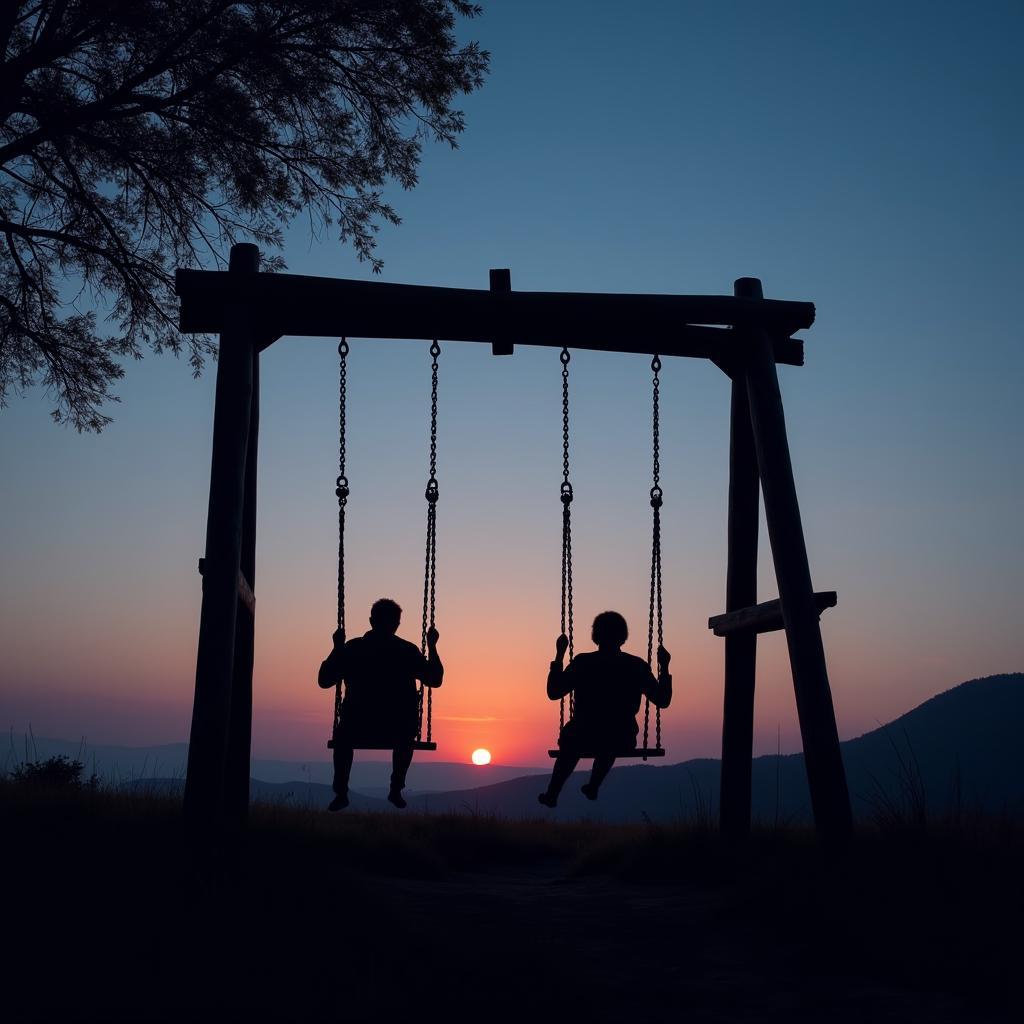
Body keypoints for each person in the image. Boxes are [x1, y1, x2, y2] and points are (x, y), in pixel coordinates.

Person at [318, 597, 442, 811]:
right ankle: (396, 788)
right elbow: (435, 679)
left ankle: (341, 791)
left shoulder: (353, 648)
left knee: (343, 737)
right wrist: (432, 646)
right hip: (396, 727)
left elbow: (325, 680)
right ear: (396, 624)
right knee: (406, 733)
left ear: (371, 621)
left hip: (358, 725)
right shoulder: (406, 651)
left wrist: (336, 648)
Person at [538, 610, 671, 807]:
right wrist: (665, 667)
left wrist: (559, 655)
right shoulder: (636, 666)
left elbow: (554, 691)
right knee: (611, 736)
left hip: (583, 733)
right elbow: (662, 700)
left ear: (596, 635)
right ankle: (593, 785)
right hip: (621, 734)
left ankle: (553, 792)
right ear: (623, 637)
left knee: (573, 743)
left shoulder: (583, 663)